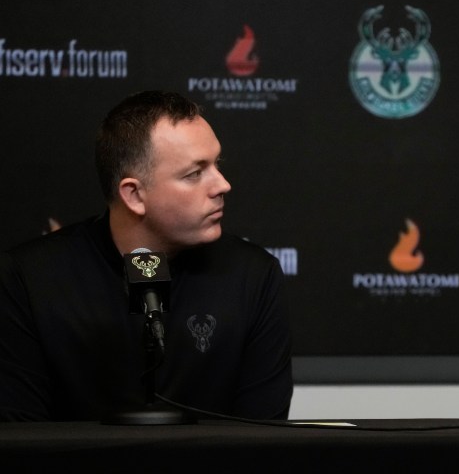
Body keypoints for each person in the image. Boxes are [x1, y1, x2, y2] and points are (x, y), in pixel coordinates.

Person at [0, 90, 293, 422]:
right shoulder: (29, 279)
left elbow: (264, 439)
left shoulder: (254, 276)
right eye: (195, 173)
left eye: (217, 164)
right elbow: (17, 439)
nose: (222, 184)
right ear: (134, 195)